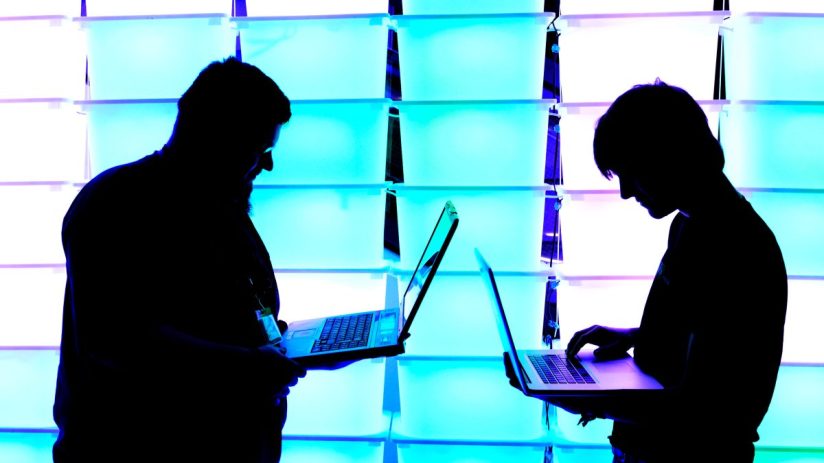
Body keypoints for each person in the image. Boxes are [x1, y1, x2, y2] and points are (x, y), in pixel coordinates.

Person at [505, 81, 787, 462]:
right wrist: (643, 336)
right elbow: (713, 336)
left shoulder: (737, 249)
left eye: (630, 173)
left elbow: (698, 411)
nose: (624, 192)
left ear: (667, 158)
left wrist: (577, 397)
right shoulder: (694, 225)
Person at [53, 57, 308, 463]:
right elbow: (119, 341)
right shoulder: (113, 206)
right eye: (260, 148)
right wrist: (250, 366)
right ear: (220, 138)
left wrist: (284, 347)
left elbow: (228, 312)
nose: (268, 164)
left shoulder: (221, 206)